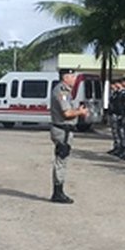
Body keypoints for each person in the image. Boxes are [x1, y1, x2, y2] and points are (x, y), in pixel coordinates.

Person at [49, 68, 89, 204]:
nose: (74, 79)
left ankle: (59, 190)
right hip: (62, 131)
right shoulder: (61, 91)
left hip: (65, 130)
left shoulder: (66, 91)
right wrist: (80, 112)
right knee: (61, 160)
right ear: (65, 78)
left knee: (62, 160)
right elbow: (66, 113)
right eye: (72, 77)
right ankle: (57, 192)